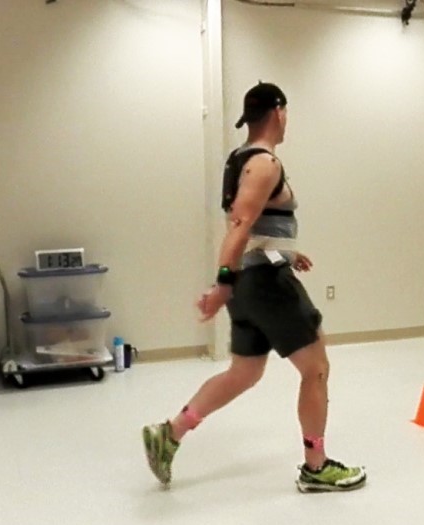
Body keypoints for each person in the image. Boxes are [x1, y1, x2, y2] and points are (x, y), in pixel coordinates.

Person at [141, 82, 367, 493]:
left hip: (252, 279)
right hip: (264, 284)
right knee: (316, 369)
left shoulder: (239, 160)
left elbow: (253, 226)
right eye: (287, 114)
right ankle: (316, 467)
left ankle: (170, 433)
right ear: (279, 112)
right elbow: (242, 225)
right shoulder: (265, 164)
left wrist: (285, 252)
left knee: (244, 372)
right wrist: (222, 285)